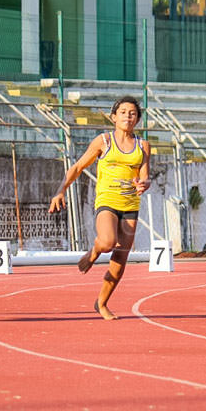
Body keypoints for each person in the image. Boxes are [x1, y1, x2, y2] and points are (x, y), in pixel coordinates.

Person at [49, 96, 151, 320]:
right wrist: (60, 190)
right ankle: (94, 252)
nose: (128, 116)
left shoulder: (143, 145)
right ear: (114, 117)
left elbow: (144, 175)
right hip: (107, 200)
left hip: (131, 205)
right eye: (123, 112)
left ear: (138, 119)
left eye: (132, 113)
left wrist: (145, 183)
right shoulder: (103, 141)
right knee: (106, 242)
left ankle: (102, 302)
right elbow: (77, 167)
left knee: (121, 258)